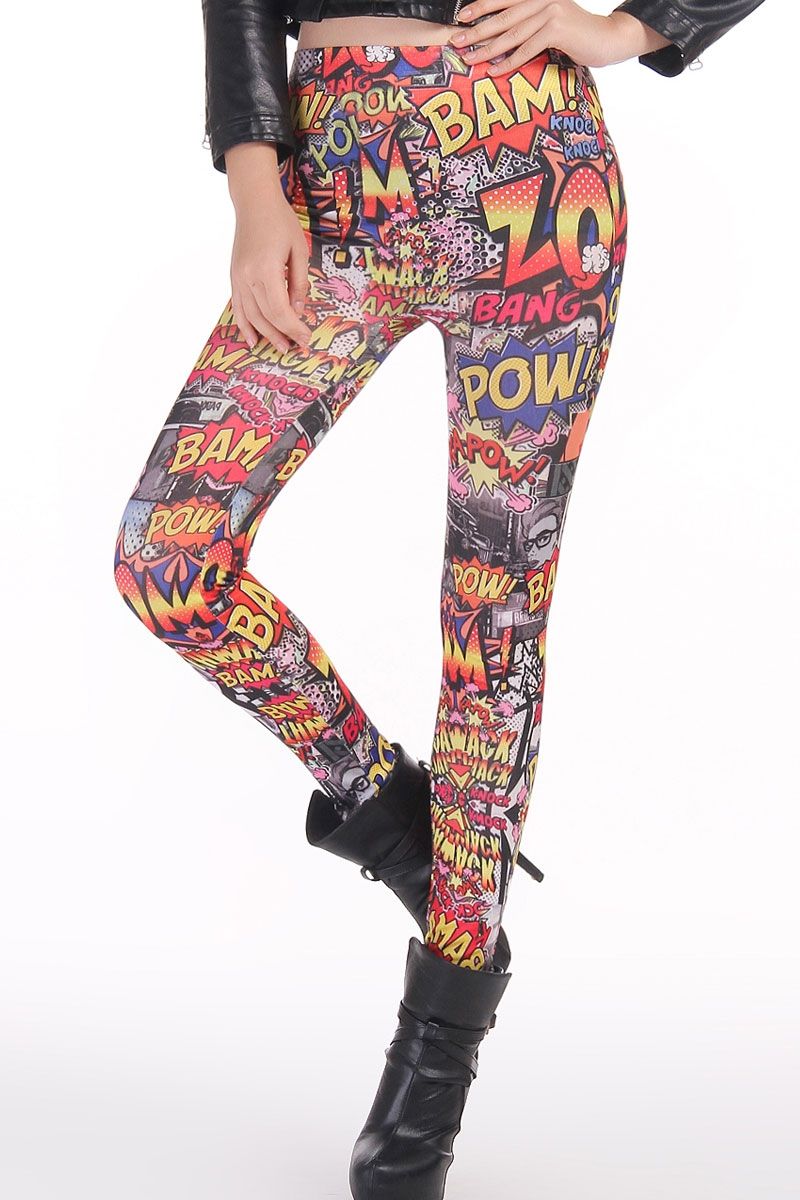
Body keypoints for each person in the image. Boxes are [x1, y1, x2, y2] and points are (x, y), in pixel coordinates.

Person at [113, 1, 766, 1195]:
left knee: (491, 620)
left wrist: (629, 27)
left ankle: (437, 1048)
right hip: (335, 177)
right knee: (169, 556)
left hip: (534, 176)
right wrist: (254, 178)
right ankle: (395, 817)